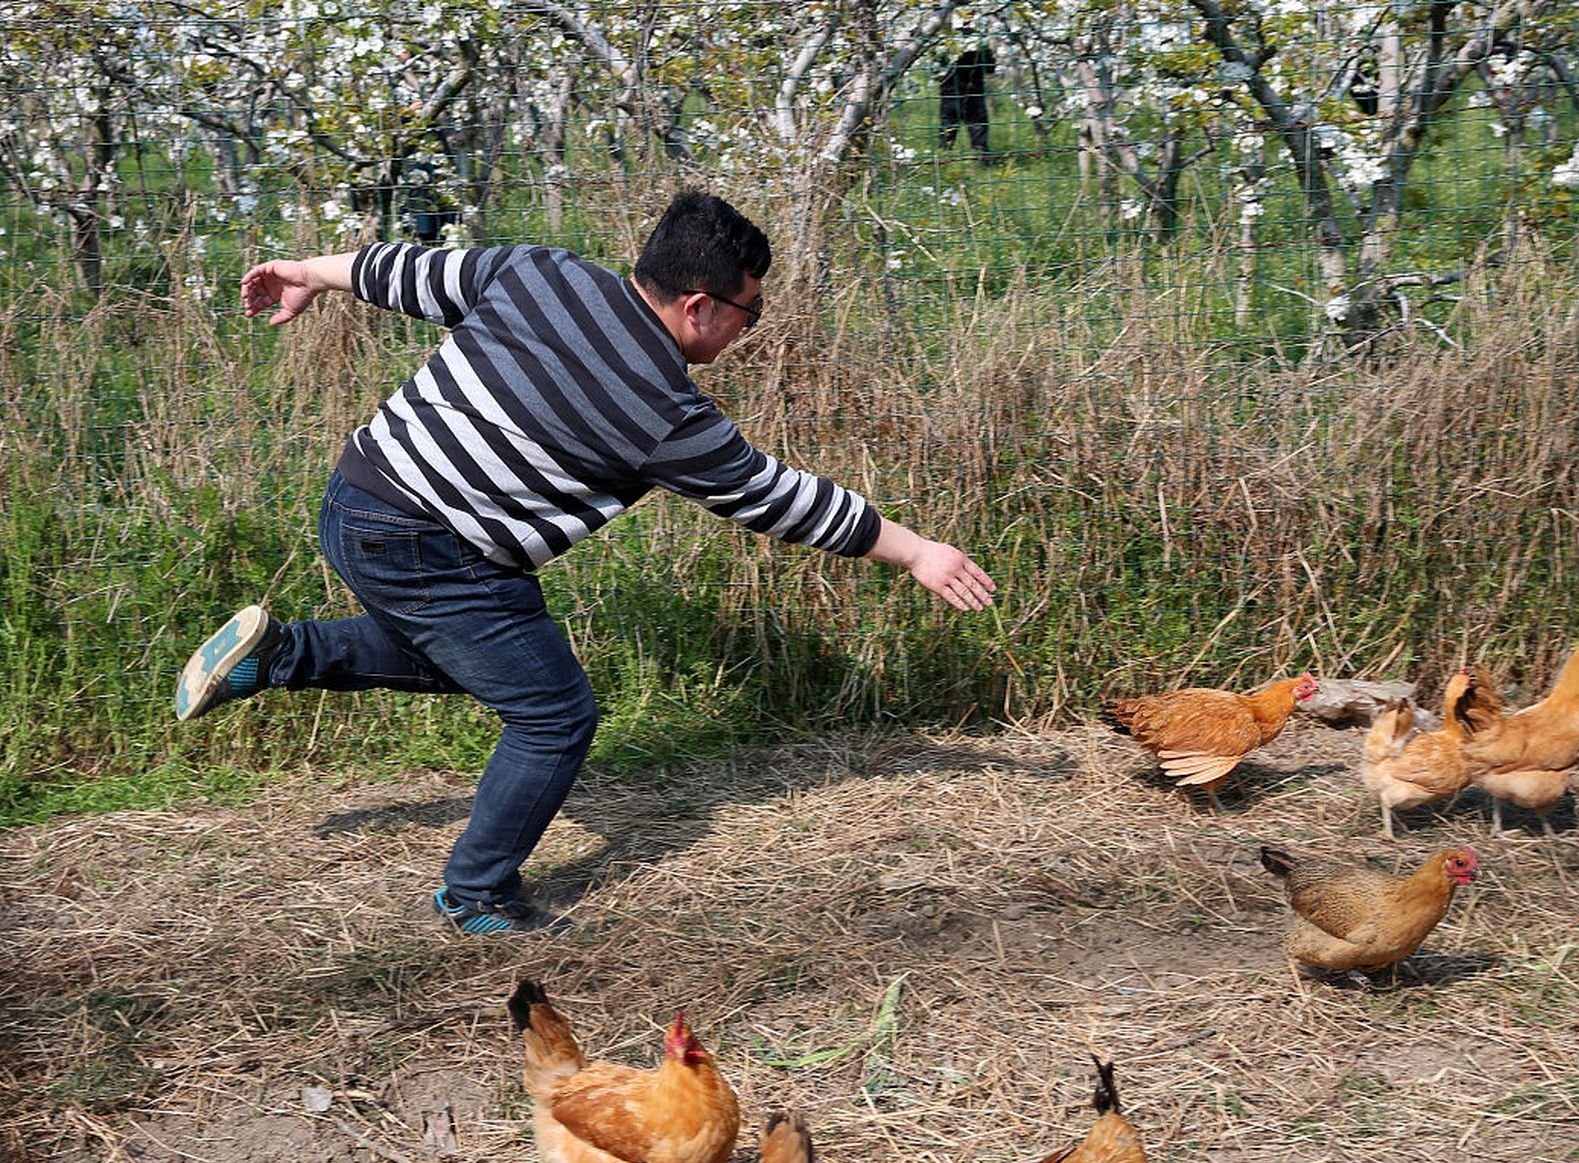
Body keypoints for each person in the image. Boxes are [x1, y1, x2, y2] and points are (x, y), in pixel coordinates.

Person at [175, 191, 996, 935]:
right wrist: (915, 549)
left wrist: (309, 273)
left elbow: (410, 271)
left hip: (356, 497)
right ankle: (478, 894)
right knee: (554, 714)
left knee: (493, 664)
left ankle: (279, 655)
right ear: (701, 305)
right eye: (751, 312)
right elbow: (778, 499)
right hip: (432, 544)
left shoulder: (543, 274)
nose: (752, 329)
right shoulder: (664, 410)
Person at [937, 37, 995, 161]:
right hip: (973, 95)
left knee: (947, 132)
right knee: (978, 132)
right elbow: (991, 68)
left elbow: (937, 70)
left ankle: (942, 162)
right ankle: (982, 164)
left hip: (950, 94)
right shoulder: (980, 44)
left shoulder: (945, 43)